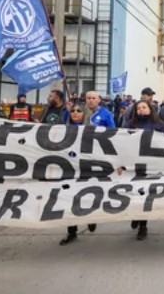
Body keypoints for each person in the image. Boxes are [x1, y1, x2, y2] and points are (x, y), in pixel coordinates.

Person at [124, 100, 164, 240]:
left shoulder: (159, 126)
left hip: (151, 165)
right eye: (139, 108)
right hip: (133, 164)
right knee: (133, 192)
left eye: (144, 107)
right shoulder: (129, 125)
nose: (141, 110)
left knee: (145, 194)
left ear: (150, 109)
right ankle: (135, 215)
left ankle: (143, 225)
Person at [59, 102, 96, 245]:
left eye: (79, 110)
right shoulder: (63, 130)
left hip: (86, 168)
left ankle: (91, 218)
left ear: (85, 113)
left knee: (87, 196)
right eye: (73, 110)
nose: (75, 113)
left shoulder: (93, 130)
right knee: (69, 199)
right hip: (69, 168)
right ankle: (71, 231)